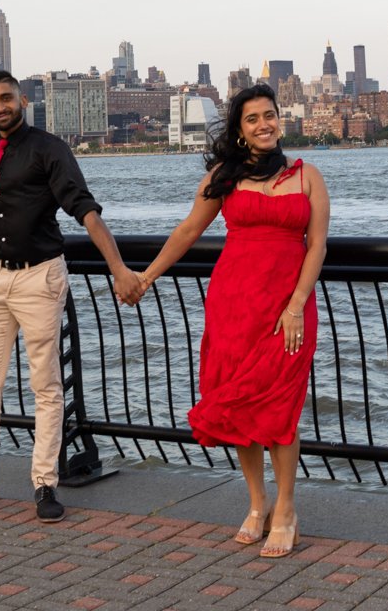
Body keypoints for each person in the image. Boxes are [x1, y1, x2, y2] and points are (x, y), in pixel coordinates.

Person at [0, 70, 144, 523]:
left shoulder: (49, 149)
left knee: (44, 386)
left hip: (39, 278)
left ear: (22, 99)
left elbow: (85, 209)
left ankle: (45, 485)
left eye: (6, 98)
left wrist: (119, 268)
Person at [136, 83, 328, 558]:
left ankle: (286, 508)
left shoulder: (308, 178)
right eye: (252, 118)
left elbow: (317, 246)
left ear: (281, 119)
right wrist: (146, 277)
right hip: (234, 307)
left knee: (280, 409)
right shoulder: (224, 178)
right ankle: (257, 503)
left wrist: (296, 302)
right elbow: (187, 231)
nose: (265, 124)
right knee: (241, 406)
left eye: (270, 115)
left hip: (289, 309)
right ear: (240, 130)